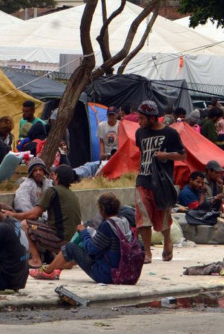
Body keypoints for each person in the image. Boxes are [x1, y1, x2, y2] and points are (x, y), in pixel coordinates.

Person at [31, 193, 134, 283]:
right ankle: (57, 268)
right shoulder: (124, 221)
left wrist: (84, 232)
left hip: (108, 275)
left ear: (102, 210)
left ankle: (48, 271)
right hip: (124, 270)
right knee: (83, 237)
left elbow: (92, 249)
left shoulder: (107, 225)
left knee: (70, 247)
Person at [134, 100, 185, 263]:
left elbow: (182, 155)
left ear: (152, 118)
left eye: (141, 118)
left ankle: (167, 241)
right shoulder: (139, 133)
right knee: (143, 217)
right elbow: (143, 155)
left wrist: (166, 156)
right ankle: (147, 252)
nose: (139, 121)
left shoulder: (170, 134)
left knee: (163, 217)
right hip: (143, 179)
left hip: (162, 182)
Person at [6, 165, 82, 269]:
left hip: (59, 240)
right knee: (43, 225)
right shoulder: (72, 194)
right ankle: (62, 259)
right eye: (35, 170)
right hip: (72, 242)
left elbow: (34, 214)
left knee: (25, 224)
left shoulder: (53, 191)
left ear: (56, 177)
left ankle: (36, 259)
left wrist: (13, 214)